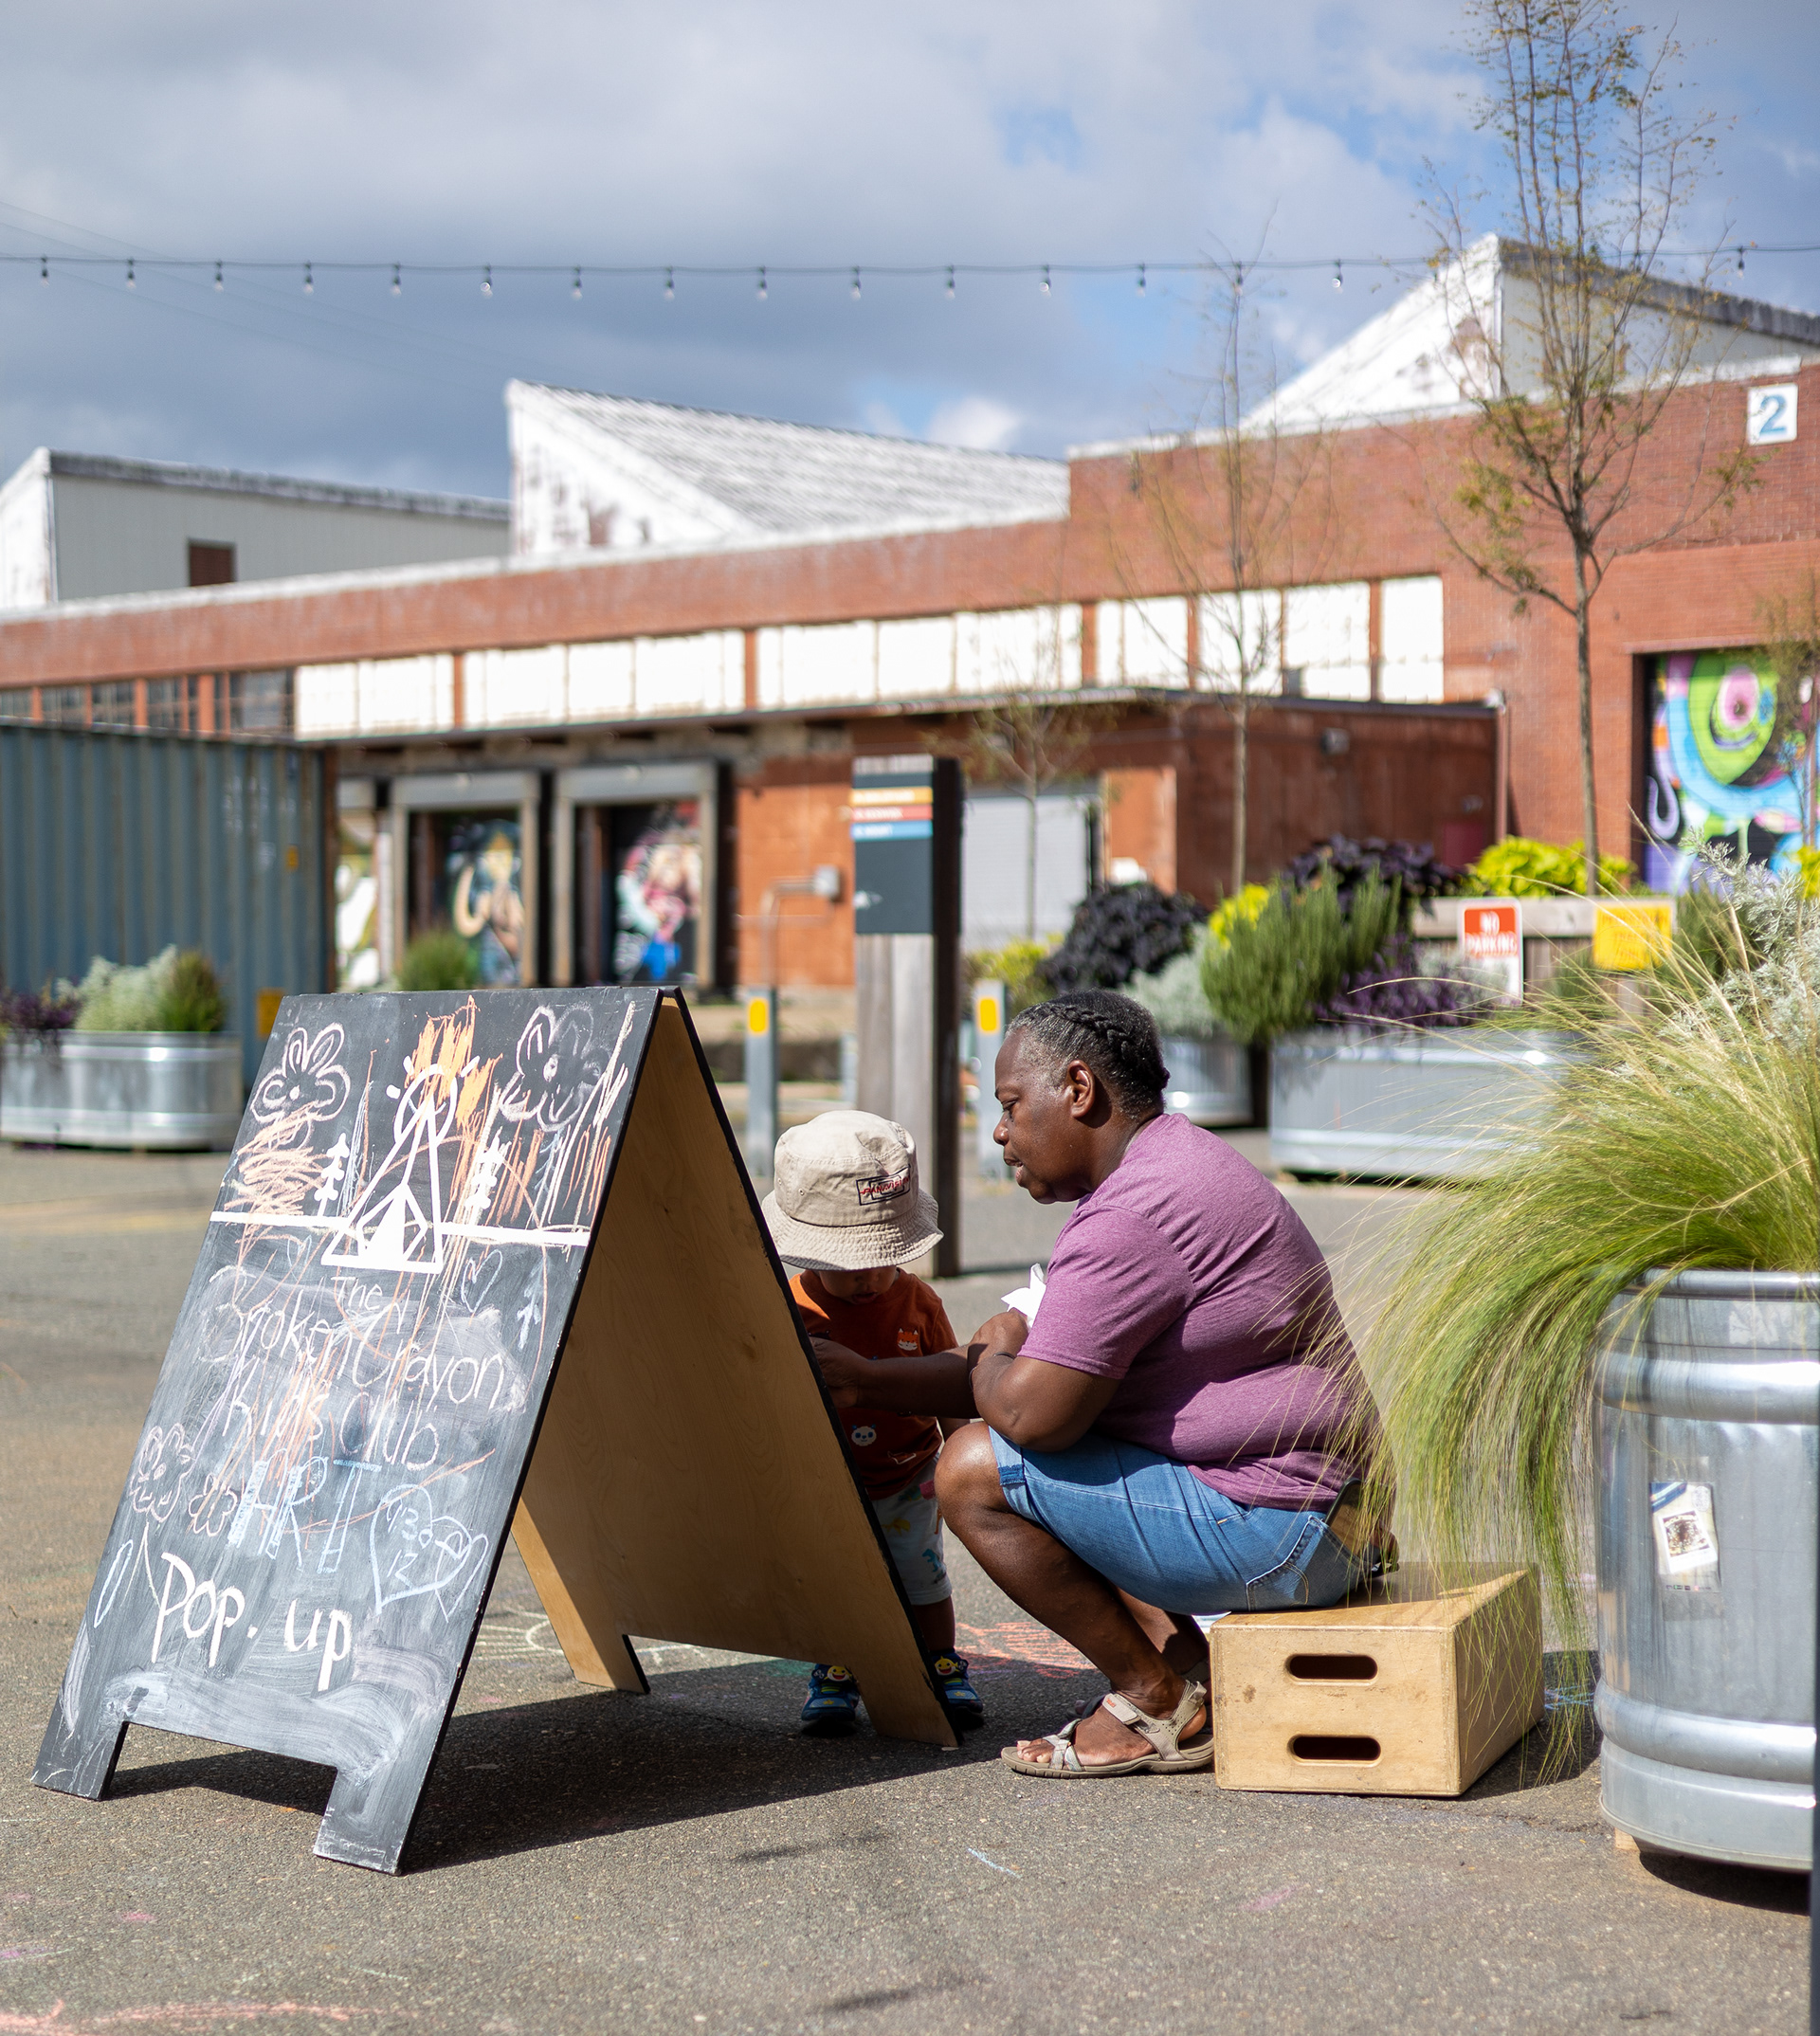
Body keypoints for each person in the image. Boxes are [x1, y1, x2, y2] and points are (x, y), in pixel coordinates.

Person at [810, 991, 1386, 1779]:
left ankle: (1157, 1701)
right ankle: (1186, 1668)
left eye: (1011, 1104)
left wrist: (993, 1350)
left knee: (974, 1470)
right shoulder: (1178, 1162)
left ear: (1079, 1089)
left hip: (1285, 1535)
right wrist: (872, 1378)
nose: (1000, 1133)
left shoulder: (1131, 1217)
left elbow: (1028, 1415)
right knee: (1071, 1440)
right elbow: (1027, 1378)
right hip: (1338, 1519)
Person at [761, 1111, 985, 1736]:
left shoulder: (918, 1301)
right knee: (837, 1579)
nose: (864, 1280)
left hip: (909, 1474)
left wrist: (959, 1455)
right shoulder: (791, 1307)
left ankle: (941, 1661)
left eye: (879, 1261)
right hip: (827, 1478)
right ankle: (839, 1670)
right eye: (846, 1265)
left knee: (923, 1575)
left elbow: (949, 1382)